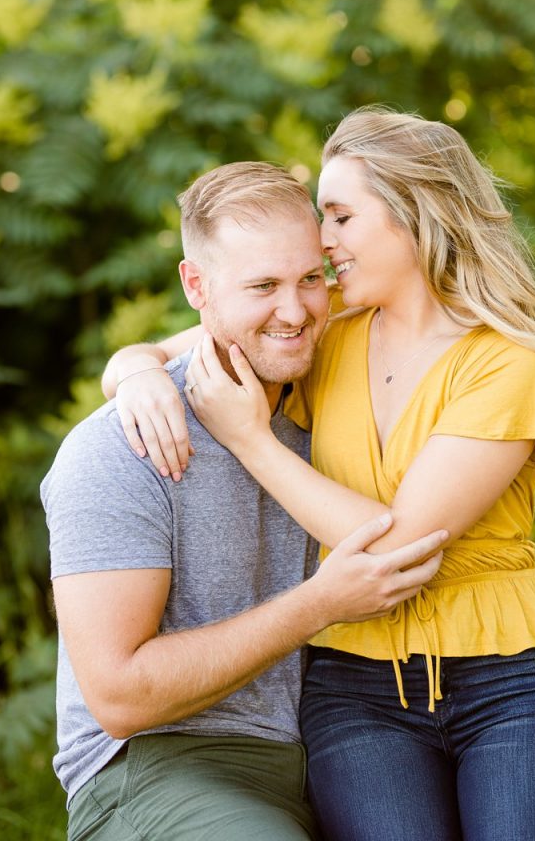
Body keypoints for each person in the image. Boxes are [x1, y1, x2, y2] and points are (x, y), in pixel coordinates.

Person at [106, 108, 535, 841]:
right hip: (354, 684)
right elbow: (174, 346)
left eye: (340, 215)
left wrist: (252, 441)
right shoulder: (324, 327)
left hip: (508, 681)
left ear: (415, 213)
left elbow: (399, 549)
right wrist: (134, 374)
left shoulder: (508, 360)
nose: (323, 239)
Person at [41, 160, 454, 841]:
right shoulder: (123, 446)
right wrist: (320, 602)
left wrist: (533, 669)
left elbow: (442, 536)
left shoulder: (340, 409)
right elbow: (118, 696)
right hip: (161, 766)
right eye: (262, 286)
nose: (294, 312)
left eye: (309, 280)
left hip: (341, 746)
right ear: (196, 285)